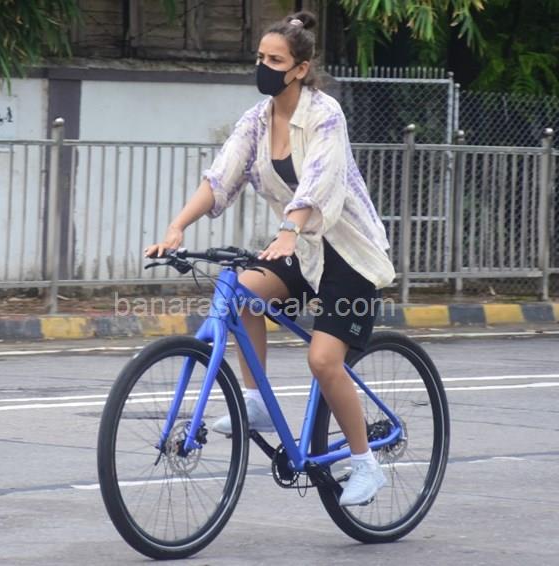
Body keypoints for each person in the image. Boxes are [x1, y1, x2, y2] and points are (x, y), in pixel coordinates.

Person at [144, 10, 396, 507]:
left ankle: (366, 463)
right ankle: (256, 400)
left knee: (323, 360)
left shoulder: (325, 114)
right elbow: (221, 176)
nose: (264, 67)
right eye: (260, 57)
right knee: (242, 292)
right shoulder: (257, 120)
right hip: (300, 246)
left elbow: (319, 181)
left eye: (275, 60)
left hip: (348, 253)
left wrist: (288, 229)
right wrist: (177, 226)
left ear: (300, 69)